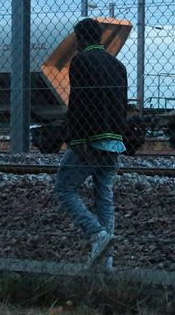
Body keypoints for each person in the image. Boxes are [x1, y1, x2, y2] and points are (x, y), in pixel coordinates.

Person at [55, 18, 128, 272]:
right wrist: (120, 136)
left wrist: (78, 138)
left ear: (80, 38)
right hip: (114, 142)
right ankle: (106, 263)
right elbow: (121, 106)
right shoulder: (118, 65)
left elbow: (80, 101)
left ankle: (97, 234)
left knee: (64, 188)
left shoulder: (81, 61)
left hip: (90, 139)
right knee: (104, 197)